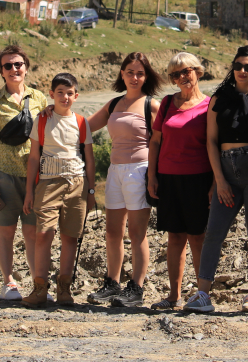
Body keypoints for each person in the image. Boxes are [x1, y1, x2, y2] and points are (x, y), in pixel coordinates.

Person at [183, 45, 248, 314]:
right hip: (226, 174)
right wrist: (219, 181)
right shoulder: (219, 98)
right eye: (238, 66)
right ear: (232, 67)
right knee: (213, 232)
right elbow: (211, 141)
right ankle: (203, 294)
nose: (243, 71)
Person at [85, 53, 162, 308]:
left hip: (140, 171)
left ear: (146, 76)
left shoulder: (151, 105)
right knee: (112, 231)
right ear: (122, 73)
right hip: (115, 172)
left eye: (140, 73)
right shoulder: (114, 104)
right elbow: (84, 127)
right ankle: (112, 282)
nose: (134, 77)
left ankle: (137, 287)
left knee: (137, 232)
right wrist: (55, 114)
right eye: (130, 72)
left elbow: (172, 132)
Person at [22, 73, 96, 307]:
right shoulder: (42, 120)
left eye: (70, 93)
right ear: (51, 95)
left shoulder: (82, 122)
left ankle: (64, 289)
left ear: (76, 95)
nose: (65, 97)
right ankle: (40, 288)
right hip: (48, 182)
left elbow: (90, 159)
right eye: (60, 92)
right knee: (43, 233)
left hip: (77, 184)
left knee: (70, 236)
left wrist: (91, 191)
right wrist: (29, 191)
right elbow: (34, 157)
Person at [0, 44, 49, 301]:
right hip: (5, 174)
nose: (14, 69)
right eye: (7, 66)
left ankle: (37, 284)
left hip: (34, 176)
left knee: (33, 232)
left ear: (26, 67)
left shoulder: (39, 98)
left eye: (18, 64)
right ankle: (8, 282)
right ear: (1, 71)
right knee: (6, 230)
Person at [147, 52, 212, 310]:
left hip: (199, 178)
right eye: (176, 74)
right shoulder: (166, 103)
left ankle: (201, 294)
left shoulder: (210, 105)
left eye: (186, 71)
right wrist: (152, 176)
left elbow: (214, 146)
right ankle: (173, 296)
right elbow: (155, 141)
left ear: (198, 71)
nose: (182, 77)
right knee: (175, 237)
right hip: (169, 178)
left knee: (198, 237)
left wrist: (215, 183)